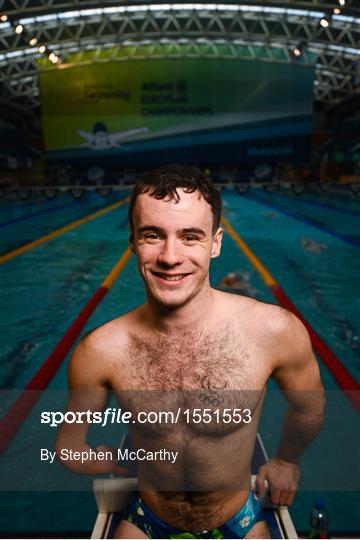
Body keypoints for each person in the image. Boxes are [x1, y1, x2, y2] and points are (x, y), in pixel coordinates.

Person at [56, 164, 325, 539]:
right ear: (133, 241)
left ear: (215, 243)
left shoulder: (274, 330)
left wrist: (287, 460)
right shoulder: (99, 351)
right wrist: (103, 460)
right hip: (147, 515)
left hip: (238, 515)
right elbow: (68, 445)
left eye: (190, 236)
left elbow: (308, 407)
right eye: (153, 235)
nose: (170, 256)